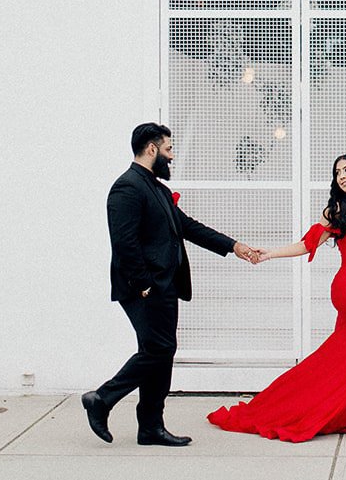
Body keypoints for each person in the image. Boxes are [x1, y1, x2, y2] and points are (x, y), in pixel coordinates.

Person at [207, 152, 346, 441]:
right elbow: (307, 245)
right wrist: (270, 253)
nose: (342, 175)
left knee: (343, 356)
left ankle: (341, 403)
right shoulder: (336, 212)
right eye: (337, 172)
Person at [83, 122, 261, 447]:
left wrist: (234, 246)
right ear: (151, 149)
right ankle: (102, 398)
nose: (172, 156)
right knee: (159, 350)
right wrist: (143, 284)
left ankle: (150, 426)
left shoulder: (158, 189)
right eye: (168, 149)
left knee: (160, 353)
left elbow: (188, 227)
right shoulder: (127, 188)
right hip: (145, 287)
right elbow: (124, 242)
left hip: (164, 284)